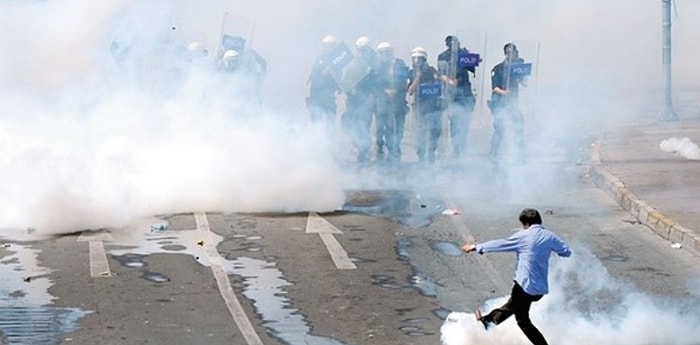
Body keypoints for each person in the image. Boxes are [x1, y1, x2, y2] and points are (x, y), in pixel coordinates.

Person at [462, 208, 571, 345]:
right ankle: (487, 322)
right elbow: (566, 251)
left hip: (525, 287)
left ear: (525, 223)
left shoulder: (523, 236)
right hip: (539, 290)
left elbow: (500, 244)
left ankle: (488, 323)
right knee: (514, 305)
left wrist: (476, 247)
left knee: (522, 319)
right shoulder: (550, 237)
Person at [407, 47, 455, 164]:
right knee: (421, 132)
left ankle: (432, 153)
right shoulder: (411, 73)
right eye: (415, 59)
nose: (417, 62)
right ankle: (421, 155)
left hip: (433, 107)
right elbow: (410, 91)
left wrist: (449, 81)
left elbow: (440, 78)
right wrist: (418, 77)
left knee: (435, 131)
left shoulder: (430, 70)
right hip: (420, 107)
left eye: (419, 59)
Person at [437, 35, 478, 159]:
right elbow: (441, 74)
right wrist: (450, 81)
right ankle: (456, 148)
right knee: (454, 121)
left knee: (465, 121)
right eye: (452, 44)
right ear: (447, 45)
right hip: (452, 93)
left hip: (465, 91)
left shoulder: (463, 54)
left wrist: (470, 56)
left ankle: (462, 145)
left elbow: (472, 67)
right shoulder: (443, 56)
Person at [488, 42, 528, 163]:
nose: (511, 56)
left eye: (513, 53)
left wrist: (523, 74)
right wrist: (505, 93)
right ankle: (494, 154)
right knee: (500, 129)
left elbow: (525, 84)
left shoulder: (517, 68)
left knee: (519, 127)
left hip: (513, 103)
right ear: (505, 54)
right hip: (500, 103)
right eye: (509, 53)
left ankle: (520, 154)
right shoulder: (498, 69)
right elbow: (494, 87)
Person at [343, 36, 378, 163]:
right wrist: (349, 89)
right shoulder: (354, 63)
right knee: (353, 125)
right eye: (359, 50)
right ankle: (359, 148)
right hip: (354, 101)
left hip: (367, 101)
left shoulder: (375, 63)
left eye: (363, 50)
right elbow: (346, 81)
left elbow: (379, 82)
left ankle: (363, 153)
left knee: (364, 125)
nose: (361, 52)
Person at [373, 41, 410, 163]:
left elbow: (404, 80)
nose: (385, 55)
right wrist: (385, 90)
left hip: (398, 101)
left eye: (387, 53)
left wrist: (397, 90)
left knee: (398, 126)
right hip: (382, 102)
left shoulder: (399, 64)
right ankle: (382, 146)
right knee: (382, 126)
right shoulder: (376, 67)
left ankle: (395, 147)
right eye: (382, 53)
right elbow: (374, 84)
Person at [307, 35, 340, 126]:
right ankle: (316, 138)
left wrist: (330, 73)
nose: (324, 48)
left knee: (329, 119)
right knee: (315, 120)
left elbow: (337, 78)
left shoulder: (335, 61)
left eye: (327, 46)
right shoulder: (320, 58)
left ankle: (329, 138)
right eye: (324, 46)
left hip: (327, 96)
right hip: (315, 94)